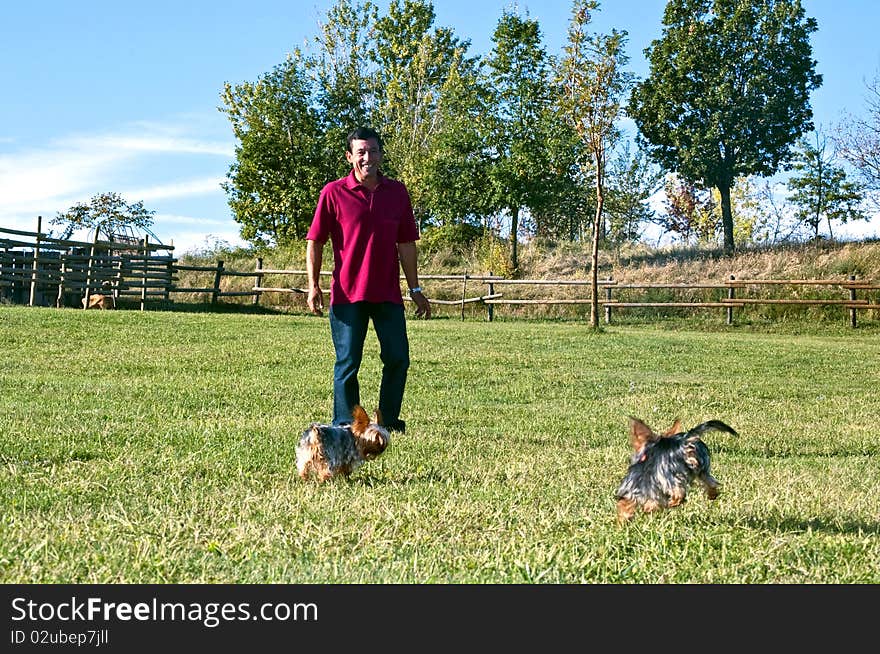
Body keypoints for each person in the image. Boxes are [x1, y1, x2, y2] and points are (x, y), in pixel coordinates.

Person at [306, 126, 430, 434]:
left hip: (387, 294)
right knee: (348, 363)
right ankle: (346, 425)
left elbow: (406, 244)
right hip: (348, 295)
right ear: (350, 157)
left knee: (398, 358)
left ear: (380, 155)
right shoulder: (333, 193)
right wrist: (313, 285)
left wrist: (414, 288)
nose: (367, 158)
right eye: (361, 152)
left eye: (373, 151)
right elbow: (315, 240)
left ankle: (387, 422)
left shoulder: (397, 193)